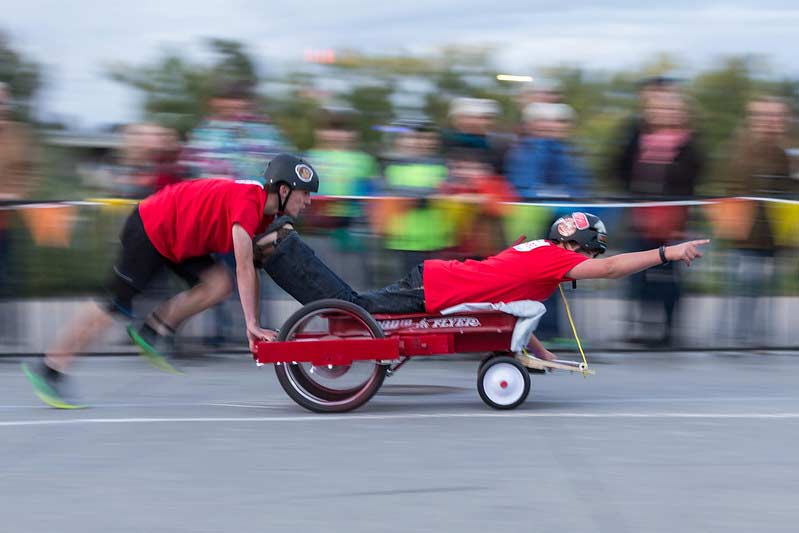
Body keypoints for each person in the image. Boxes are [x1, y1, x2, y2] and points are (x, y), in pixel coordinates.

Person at [22, 153, 318, 409]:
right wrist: (251, 324)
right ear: (283, 190)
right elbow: (243, 266)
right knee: (112, 306)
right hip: (152, 228)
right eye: (304, 193)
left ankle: (153, 329)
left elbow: (252, 265)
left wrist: (254, 318)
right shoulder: (249, 201)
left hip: (181, 239)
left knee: (218, 285)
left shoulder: (266, 213)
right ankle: (50, 368)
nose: (308, 201)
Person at [258, 211, 709, 362]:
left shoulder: (537, 251)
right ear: (581, 246)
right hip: (438, 288)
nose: (590, 264)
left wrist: (542, 355)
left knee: (354, 308)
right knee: (354, 310)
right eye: (592, 253)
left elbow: (512, 309)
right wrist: (667, 253)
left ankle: (281, 251)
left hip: (437, 279)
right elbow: (612, 271)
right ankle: (282, 250)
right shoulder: (556, 259)